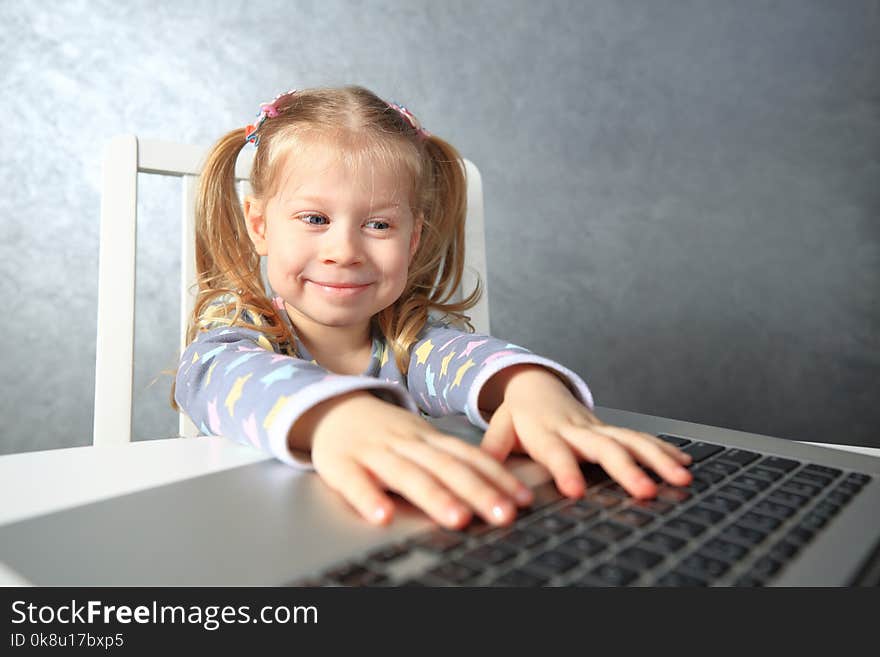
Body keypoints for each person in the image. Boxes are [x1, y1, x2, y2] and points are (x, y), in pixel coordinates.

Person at [174, 85, 692, 531]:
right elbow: (212, 378)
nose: (344, 250)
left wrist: (530, 388)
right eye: (314, 218)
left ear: (413, 239)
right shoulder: (239, 337)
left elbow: (466, 359)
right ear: (261, 226)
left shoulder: (412, 341)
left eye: (378, 225)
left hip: (409, 531)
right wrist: (338, 416)